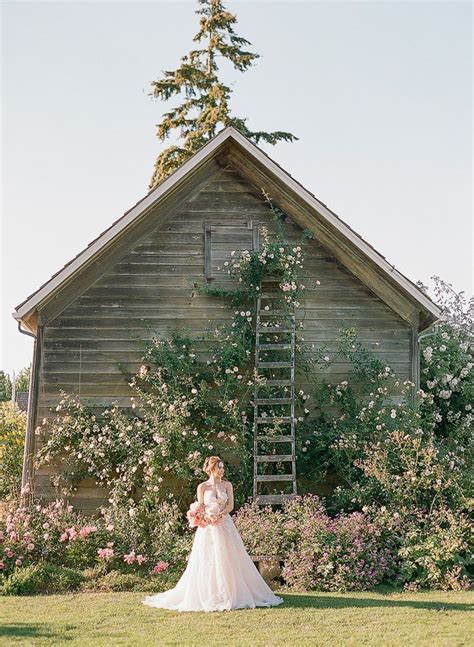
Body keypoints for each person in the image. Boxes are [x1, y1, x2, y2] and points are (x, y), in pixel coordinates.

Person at [142, 455, 284, 612]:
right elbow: (201, 507)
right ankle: (211, 595)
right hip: (208, 527)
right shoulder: (202, 487)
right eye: (219, 467)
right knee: (209, 558)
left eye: (223, 468)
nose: (222, 471)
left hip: (225, 524)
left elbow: (230, 505)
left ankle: (232, 593)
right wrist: (200, 516)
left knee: (230, 557)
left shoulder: (227, 485)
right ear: (211, 468)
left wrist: (220, 514)